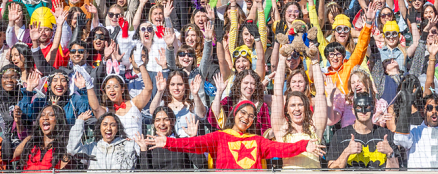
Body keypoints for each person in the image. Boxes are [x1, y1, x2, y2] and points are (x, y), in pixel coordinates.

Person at [145, 100, 326, 169]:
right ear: (235, 113)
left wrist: (304, 145)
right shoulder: (219, 136)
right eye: (243, 113)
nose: (246, 118)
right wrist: (168, 142)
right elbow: (193, 144)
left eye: (251, 116)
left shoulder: (258, 141)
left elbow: (281, 148)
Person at [327, 92, 399, 169]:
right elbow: (332, 171)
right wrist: (346, 152)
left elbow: (395, 171)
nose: (363, 111)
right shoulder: (341, 135)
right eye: (359, 107)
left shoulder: (386, 135)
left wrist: (390, 154)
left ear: (374, 109)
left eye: (367, 107)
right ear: (353, 111)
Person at [68, 111, 139, 170]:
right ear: (99, 127)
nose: (108, 128)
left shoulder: (128, 145)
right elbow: (72, 150)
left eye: (113, 125)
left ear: (118, 128)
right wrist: (79, 122)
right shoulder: (91, 148)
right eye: (105, 124)